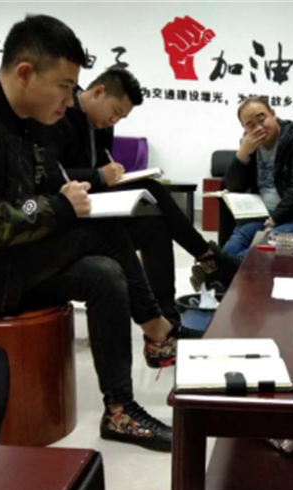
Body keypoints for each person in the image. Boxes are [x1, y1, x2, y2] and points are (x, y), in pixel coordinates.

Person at [0, 15, 197, 452]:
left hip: (9, 261)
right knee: (102, 230)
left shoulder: (27, 121)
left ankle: (120, 410)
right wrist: (55, 206)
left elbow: (38, 190)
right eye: (65, 86)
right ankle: (158, 330)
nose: (71, 99)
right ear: (25, 72)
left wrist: (59, 200)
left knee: (105, 274)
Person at [41, 65, 239, 319]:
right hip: (68, 211)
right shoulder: (59, 113)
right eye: (115, 112)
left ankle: (166, 314)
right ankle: (209, 258)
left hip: (95, 203)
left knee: (155, 225)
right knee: (152, 188)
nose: (114, 121)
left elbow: (101, 162)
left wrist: (111, 172)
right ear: (98, 92)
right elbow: (50, 175)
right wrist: (99, 175)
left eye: (121, 117)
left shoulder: (101, 122)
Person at [222, 96, 293, 257]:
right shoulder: (249, 144)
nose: (258, 128)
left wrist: (274, 220)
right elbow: (233, 186)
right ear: (244, 129)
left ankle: (222, 269)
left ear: (273, 114)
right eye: (250, 125)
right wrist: (242, 153)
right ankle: (219, 270)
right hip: (262, 214)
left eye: (262, 119)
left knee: (258, 251)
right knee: (233, 246)